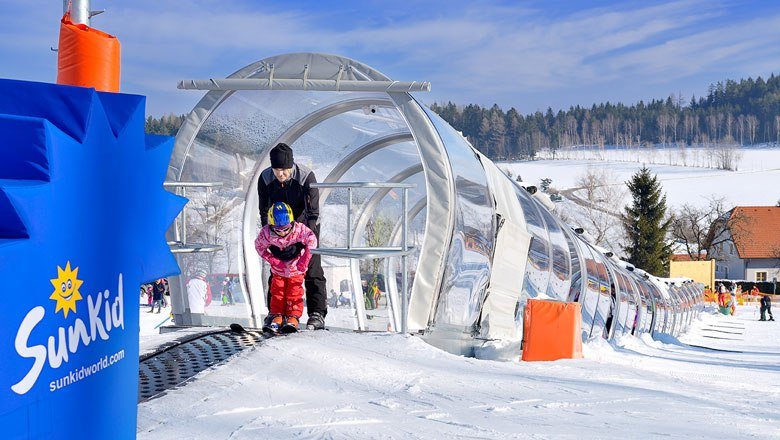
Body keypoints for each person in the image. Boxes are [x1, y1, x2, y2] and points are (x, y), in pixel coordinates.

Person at [257, 143, 327, 330]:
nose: (281, 174)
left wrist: (301, 242)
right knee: (278, 269)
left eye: (285, 170)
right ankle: (275, 312)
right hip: (278, 227)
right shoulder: (265, 178)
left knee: (311, 268)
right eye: (277, 169)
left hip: (306, 227)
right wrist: (270, 236)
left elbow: (313, 212)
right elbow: (263, 210)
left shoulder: (305, 176)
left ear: (292, 165)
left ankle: (317, 313)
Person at [255, 202, 318, 333]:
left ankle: (293, 317)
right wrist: (272, 260)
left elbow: (312, 240)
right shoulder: (266, 233)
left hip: (296, 269)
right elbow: (259, 247)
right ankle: (276, 315)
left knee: (294, 293)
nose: (282, 233)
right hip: (279, 270)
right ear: (272, 226)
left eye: (286, 228)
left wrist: (304, 260)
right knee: (277, 293)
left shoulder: (299, 230)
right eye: (278, 230)